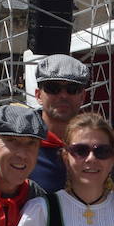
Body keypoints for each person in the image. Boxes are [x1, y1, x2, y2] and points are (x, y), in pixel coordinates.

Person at [28, 55, 91, 193]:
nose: (63, 95)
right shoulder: (21, 142)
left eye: (72, 89)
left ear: (82, 97)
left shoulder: (96, 147)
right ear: (38, 95)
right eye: (53, 88)